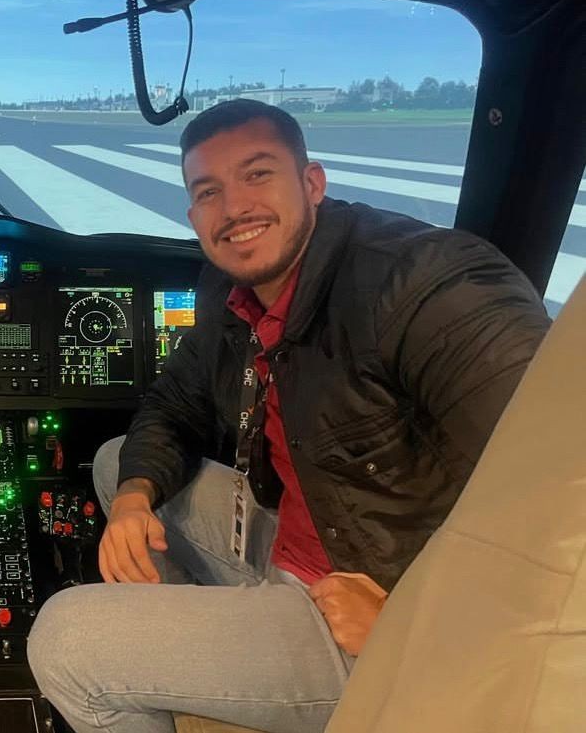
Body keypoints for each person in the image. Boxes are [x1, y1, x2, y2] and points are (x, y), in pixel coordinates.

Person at [28, 100, 550, 733]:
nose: (234, 208)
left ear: (312, 182)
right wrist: (135, 499)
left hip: (385, 618)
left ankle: (163, 667)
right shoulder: (233, 289)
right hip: (301, 544)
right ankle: (195, 666)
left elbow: (559, 496)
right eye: (208, 191)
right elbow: (175, 404)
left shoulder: (429, 286)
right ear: (193, 214)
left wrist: (409, 620)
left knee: (67, 642)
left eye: (257, 174)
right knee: (119, 464)